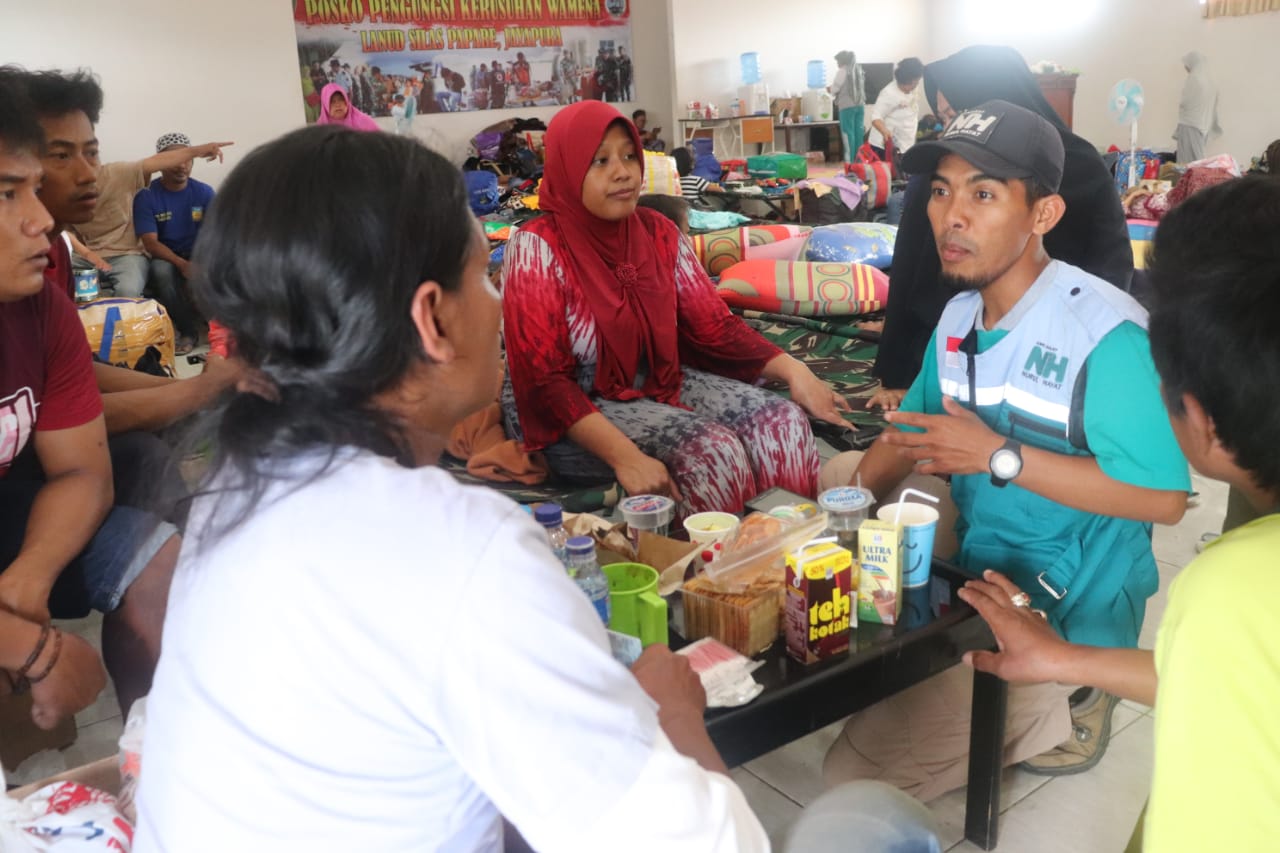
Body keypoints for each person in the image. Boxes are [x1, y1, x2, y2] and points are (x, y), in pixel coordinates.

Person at [131, 122, 769, 852]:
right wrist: (670, 717)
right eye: (483, 276)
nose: (498, 302)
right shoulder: (464, 548)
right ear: (431, 318)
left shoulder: (231, 494)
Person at [820, 100, 1189, 798]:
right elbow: (913, 433)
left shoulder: (1105, 336)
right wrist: (838, 508)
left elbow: (1165, 500)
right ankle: (936, 665)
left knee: (850, 774)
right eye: (940, 190)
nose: (951, 216)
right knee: (842, 476)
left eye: (983, 193)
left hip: (1056, 603)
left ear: (1042, 215)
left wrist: (999, 455)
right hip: (986, 551)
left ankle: (1072, 693)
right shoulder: (960, 312)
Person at [958, 175, 1280, 851]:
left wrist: (999, 454)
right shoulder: (958, 321)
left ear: (1198, 419)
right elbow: (1220, 672)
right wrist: (1065, 660)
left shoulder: (1237, 585)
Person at [500, 102, 847, 514]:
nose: (623, 171)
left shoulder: (657, 232)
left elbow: (713, 325)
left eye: (630, 155)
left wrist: (796, 371)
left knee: (782, 423)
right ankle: (715, 573)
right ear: (567, 167)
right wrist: (626, 457)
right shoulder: (536, 245)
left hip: (653, 379)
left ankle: (794, 559)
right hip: (565, 412)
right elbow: (544, 383)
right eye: (600, 161)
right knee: (710, 452)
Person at [0, 74, 179, 724]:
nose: (41, 219)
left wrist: (26, 580)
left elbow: (83, 469)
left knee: (161, 558)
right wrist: (27, 643)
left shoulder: (41, 305)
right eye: (6, 193)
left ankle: (148, 761)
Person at [871, 44, 1134, 411]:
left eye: (965, 112)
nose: (957, 129)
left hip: (1060, 357)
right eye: (947, 116)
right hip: (959, 354)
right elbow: (909, 273)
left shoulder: (1082, 168)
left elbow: (1111, 269)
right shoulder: (957, 311)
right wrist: (897, 373)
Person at [13, 65, 245, 437]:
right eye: (60, 155)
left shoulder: (54, 251)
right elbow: (51, 418)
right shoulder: (24, 265)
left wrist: (199, 390)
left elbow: (73, 374)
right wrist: (199, 392)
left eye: (92, 153)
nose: (88, 173)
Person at [69, 138, 231, 298]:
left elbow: (218, 232)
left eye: (91, 155)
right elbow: (63, 231)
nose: (182, 166)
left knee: (128, 291)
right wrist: (87, 253)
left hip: (127, 254)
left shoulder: (118, 173)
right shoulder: (64, 191)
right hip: (90, 256)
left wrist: (198, 150)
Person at [132, 132, 215, 354]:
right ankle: (188, 331)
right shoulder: (147, 196)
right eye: (175, 160)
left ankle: (223, 331)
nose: (182, 166)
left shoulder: (204, 192)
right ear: (160, 163)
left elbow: (215, 234)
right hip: (166, 255)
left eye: (187, 160)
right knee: (161, 272)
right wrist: (181, 264)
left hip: (199, 253)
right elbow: (151, 243)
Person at [867, 57, 924, 162]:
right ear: (903, 80)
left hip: (905, 143)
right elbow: (875, 117)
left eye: (916, 82)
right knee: (888, 176)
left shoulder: (914, 87)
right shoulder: (889, 93)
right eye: (910, 84)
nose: (914, 86)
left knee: (902, 175)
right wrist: (885, 132)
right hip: (884, 146)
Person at [1174, 51, 1221, 163]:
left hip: (1189, 124)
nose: (1186, 68)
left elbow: (1185, 102)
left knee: (1188, 160)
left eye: (1187, 64)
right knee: (1198, 156)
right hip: (1203, 125)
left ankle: (1189, 179)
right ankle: (1199, 178)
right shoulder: (1210, 81)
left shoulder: (1194, 78)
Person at [830, 50, 866, 166]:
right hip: (860, 105)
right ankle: (858, 162)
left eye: (837, 61)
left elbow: (835, 89)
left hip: (846, 107)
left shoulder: (842, 71)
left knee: (848, 135)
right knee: (858, 134)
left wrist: (829, 89)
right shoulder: (858, 70)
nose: (837, 64)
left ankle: (849, 164)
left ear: (841, 61)